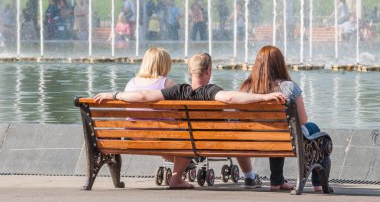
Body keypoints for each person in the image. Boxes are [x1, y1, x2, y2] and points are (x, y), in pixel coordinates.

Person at [94, 53, 286, 189]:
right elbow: (230, 98)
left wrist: (114, 94)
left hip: (185, 141)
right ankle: (250, 177)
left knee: (186, 135)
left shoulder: (178, 90)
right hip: (212, 141)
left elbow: (143, 96)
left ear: (190, 71)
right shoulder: (211, 91)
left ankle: (176, 178)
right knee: (238, 129)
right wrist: (262, 98)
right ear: (208, 71)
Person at [237, 45, 324, 192]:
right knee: (313, 128)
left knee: (277, 131)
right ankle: (318, 184)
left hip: (255, 138)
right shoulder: (289, 87)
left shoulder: (246, 88)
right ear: (280, 64)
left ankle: (277, 181)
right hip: (285, 138)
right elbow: (302, 120)